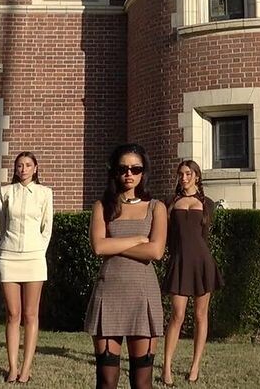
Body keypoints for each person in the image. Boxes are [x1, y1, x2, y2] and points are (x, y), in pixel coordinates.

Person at [84, 143, 167, 389]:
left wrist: (114, 244)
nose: (129, 174)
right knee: (106, 379)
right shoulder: (102, 206)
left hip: (143, 295)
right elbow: (98, 247)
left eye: (135, 169)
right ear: (114, 172)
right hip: (109, 293)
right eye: (123, 169)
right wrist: (137, 240)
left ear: (144, 172)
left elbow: (156, 251)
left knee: (142, 381)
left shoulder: (156, 207)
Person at [160, 160, 223, 386]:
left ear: (197, 176)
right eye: (180, 174)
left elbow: (204, 236)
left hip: (202, 263)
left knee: (200, 315)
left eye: (188, 174)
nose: (184, 178)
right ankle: (166, 367)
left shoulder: (208, 203)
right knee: (177, 315)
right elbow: (167, 236)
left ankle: (195, 366)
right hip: (180, 262)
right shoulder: (169, 202)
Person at [0, 151, 54, 384]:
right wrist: (8, 246)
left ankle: (26, 368)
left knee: (31, 314)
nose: (23, 169)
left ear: (35, 168)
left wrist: (38, 250)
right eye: (20, 165)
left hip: (34, 257)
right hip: (9, 256)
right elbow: (3, 225)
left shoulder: (44, 193)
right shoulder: (5, 192)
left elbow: (47, 227)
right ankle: (12, 367)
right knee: (13, 314)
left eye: (28, 165)